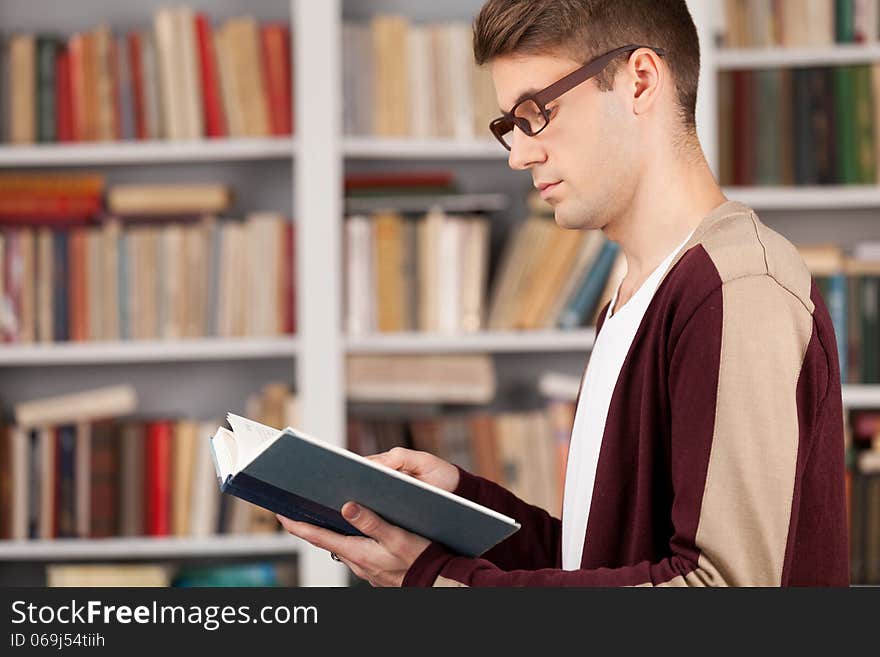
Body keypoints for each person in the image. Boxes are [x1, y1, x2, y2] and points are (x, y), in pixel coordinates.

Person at [277, 0, 849, 586]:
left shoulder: (735, 290)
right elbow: (605, 563)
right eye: (510, 127)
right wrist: (461, 502)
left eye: (535, 113)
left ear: (640, 79)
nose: (520, 154)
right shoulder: (632, 300)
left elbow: (724, 591)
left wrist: (442, 582)